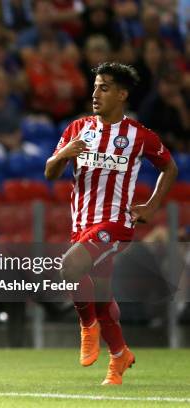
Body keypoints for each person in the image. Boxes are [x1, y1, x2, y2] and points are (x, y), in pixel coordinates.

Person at [44, 62, 178, 385]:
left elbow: (169, 167)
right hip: (82, 225)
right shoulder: (77, 129)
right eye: (94, 87)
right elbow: (50, 173)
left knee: (70, 266)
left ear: (122, 94)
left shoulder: (138, 136)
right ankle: (119, 357)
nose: (95, 93)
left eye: (104, 87)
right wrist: (64, 155)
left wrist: (152, 204)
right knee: (102, 295)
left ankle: (87, 326)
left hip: (117, 224)